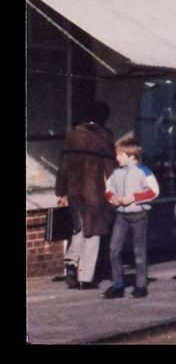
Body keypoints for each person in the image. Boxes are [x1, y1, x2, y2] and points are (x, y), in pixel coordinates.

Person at [54, 100, 116, 290]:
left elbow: (63, 166)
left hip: (74, 191)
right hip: (94, 192)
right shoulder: (104, 136)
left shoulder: (72, 135)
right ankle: (85, 277)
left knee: (79, 229)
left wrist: (61, 191)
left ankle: (71, 263)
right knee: (93, 232)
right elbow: (110, 168)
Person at [102, 137, 160, 299]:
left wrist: (134, 198)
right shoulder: (116, 172)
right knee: (114, 249)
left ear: (131, 156)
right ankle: (118, 285)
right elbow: (108, 188)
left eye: (120, 155)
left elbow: (154, 191)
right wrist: (112, 198)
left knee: (139, 252)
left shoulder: (144, 171)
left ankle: (141, 286)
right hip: (121, 215)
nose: (116, 158)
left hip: (138, 216)